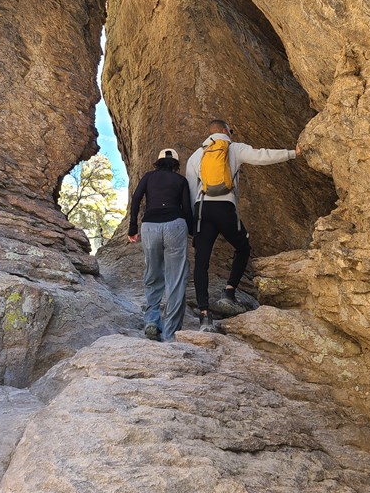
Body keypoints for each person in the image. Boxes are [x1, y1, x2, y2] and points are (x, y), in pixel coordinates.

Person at [186, 119, 300, 332]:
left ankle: (204, 316)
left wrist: (195, 220)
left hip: (203, 209)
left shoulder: (196, 155)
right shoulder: (234, 148)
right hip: (225, 208)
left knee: (201, 261)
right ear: (223, 130)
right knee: (243, 247)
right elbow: (261, 156)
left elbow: (192, 189)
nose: (232, 132)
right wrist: (291, 153)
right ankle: (229, 292)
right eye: (230, 129)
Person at [127, 148, 193, 342]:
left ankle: (152, 322)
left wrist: (133, 227)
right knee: (176, 279)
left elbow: (136, 198)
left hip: (150, 226)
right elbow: (187, 208)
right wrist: (192, 232)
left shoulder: (148, 177)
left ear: (158, 162)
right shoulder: (181, 181)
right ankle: (171, 333)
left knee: (153, 274)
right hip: (175, 224)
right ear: (176, 164)